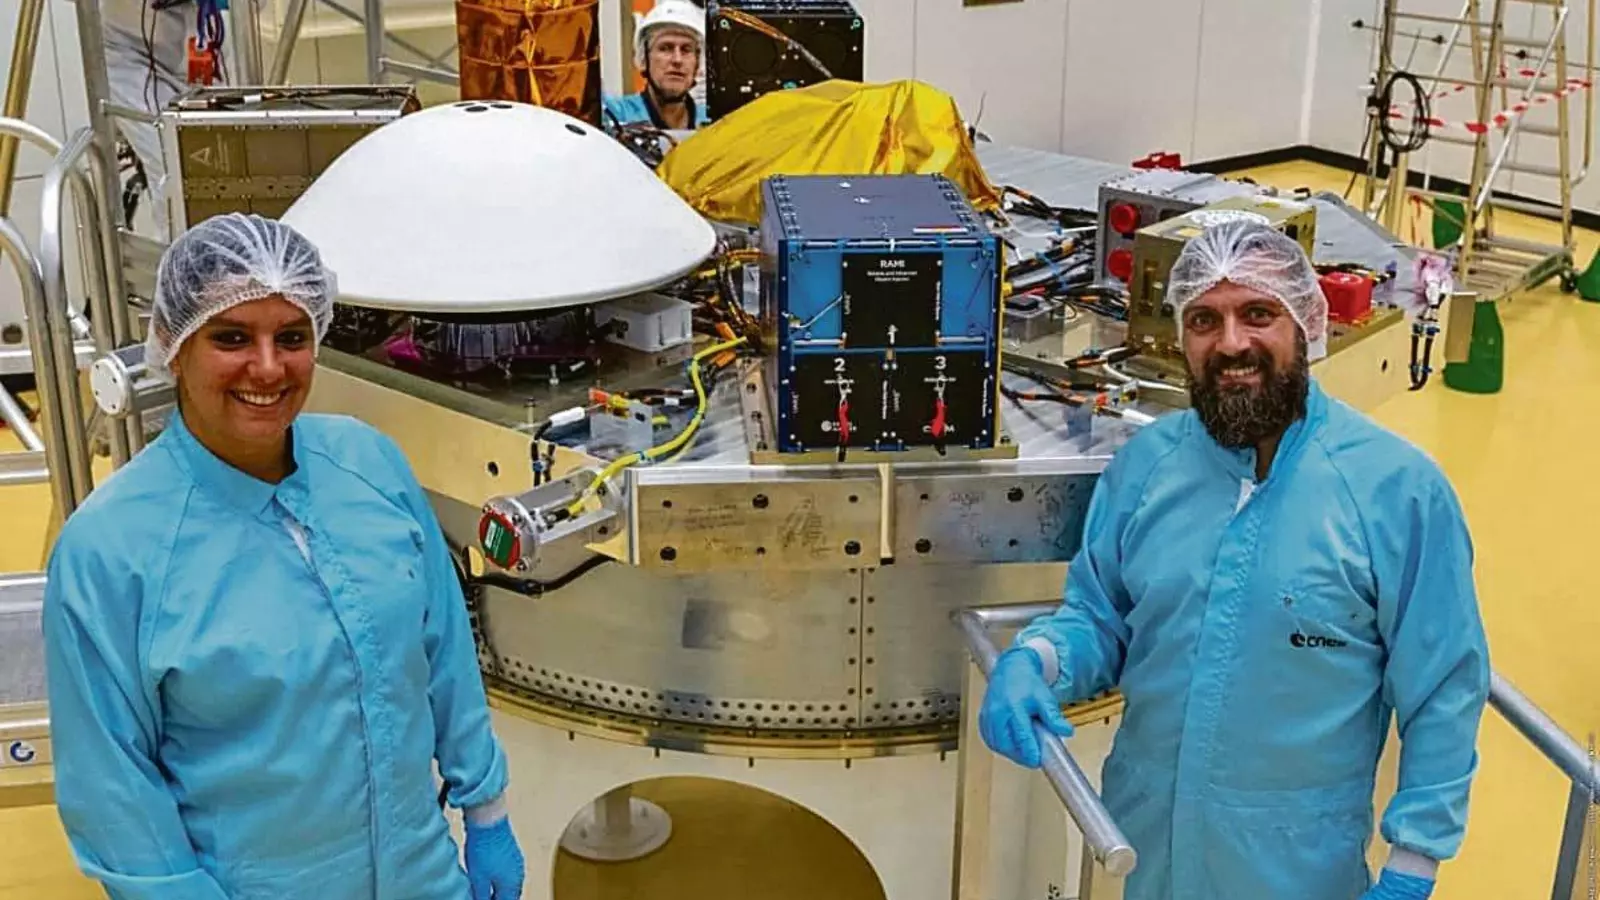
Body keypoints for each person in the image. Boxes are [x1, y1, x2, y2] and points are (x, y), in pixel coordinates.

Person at [978, 220, 1489, 900]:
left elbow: (1443, 686)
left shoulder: (1396, 491)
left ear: (1307, 323)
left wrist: (1414, 862)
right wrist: (1036, 661)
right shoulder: (1148, 467)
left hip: (1296, 868)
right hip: (1144, 849)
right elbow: (1101, 619)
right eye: (1204, 320)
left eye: (1257, 314)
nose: (1231, 343)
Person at [43, 213, 527, 900]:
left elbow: (444, 645)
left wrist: (486, 810)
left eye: (292, 337)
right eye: (232, 337)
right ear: (174, 346)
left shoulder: (367, 462)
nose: (268, 368)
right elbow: (113, 789)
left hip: (424, 876)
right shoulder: (112, 550)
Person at [603, 0, 710, 131]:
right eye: (665, 48)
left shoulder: (714, 123)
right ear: (643, 60)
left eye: (686, 50)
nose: (677, 60)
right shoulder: (614, 117)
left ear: (698, 63)